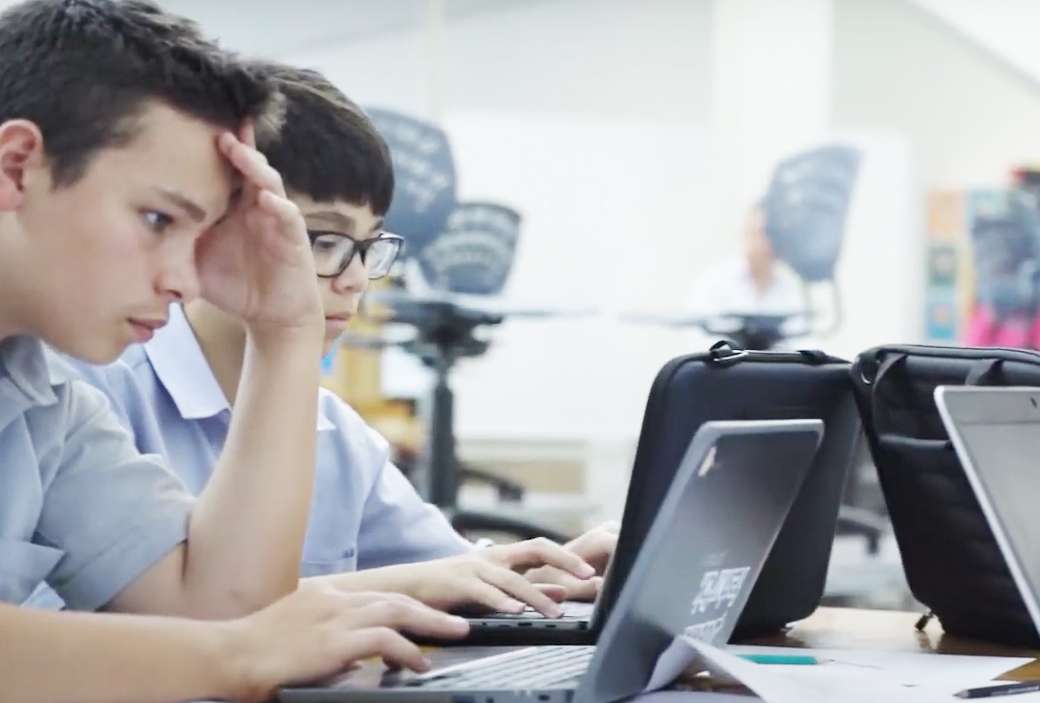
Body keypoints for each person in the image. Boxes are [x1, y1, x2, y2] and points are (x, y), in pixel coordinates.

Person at [0, 1, 467, 700]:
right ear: (16, 167)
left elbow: (225, 602)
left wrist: (285, 331)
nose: (184, 279)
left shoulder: (44, 400)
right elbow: (236, 637)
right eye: (157, 219)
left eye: (199, 232)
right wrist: (233, 652)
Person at [63, 60, 615, 616]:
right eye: (323, 240)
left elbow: (446, 573)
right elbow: (195, 612)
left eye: (370, 244)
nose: (354, 279)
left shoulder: (336, 434)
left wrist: (551, 575)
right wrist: (404, 588)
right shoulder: (92, 396)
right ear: (206, 219)